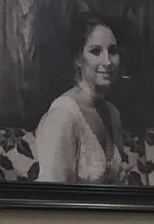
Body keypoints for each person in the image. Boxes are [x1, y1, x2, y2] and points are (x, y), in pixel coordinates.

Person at [31, 13, 133, 185]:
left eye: (113, 51)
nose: (108, 61)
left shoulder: (112, 113)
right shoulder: (62, 116)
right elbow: (53, 197)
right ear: (78, 59)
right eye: (96, 51)